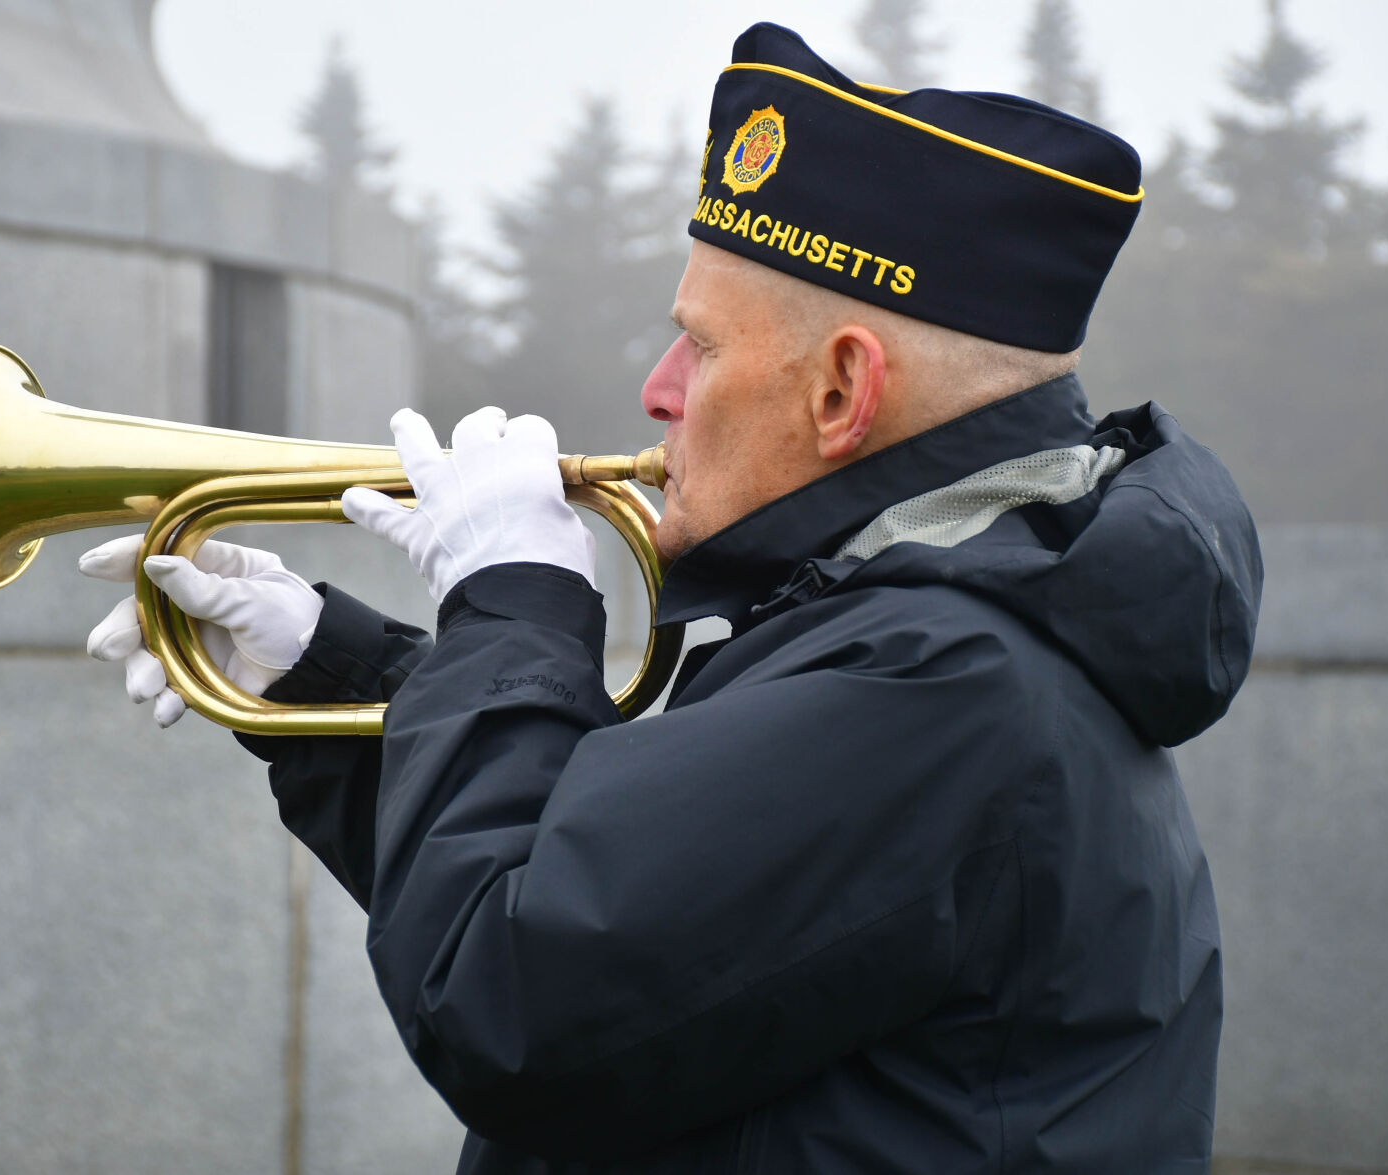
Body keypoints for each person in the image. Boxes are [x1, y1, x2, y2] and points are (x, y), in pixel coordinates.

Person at [83, 23, 1262, 1173]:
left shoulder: (940, 677)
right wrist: (330, 670)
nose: (656, 391)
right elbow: (607, 884)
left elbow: (514, 999)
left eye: (698, 347)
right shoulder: (939, 628)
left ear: (842, 388)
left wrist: (515, 598)